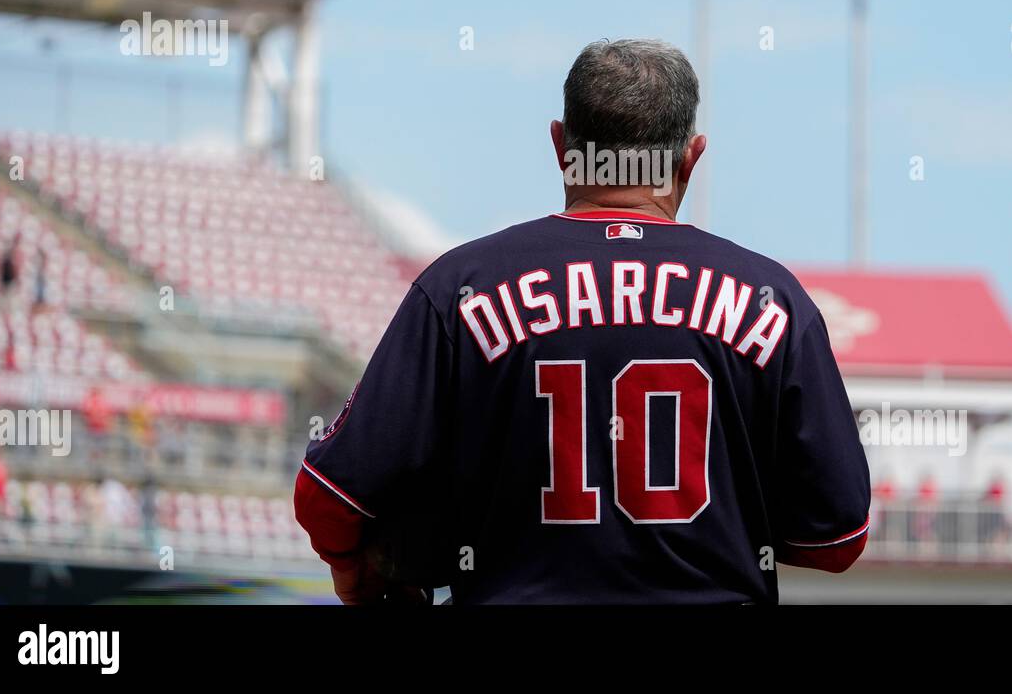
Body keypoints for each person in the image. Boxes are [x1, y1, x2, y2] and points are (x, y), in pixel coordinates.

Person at [295, 39, 870, 604]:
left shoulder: (460, 287)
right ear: (691, 158)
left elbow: (330, 496)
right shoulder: (773, 300)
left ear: (560, 145)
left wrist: (356, 566)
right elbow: (838, 537)